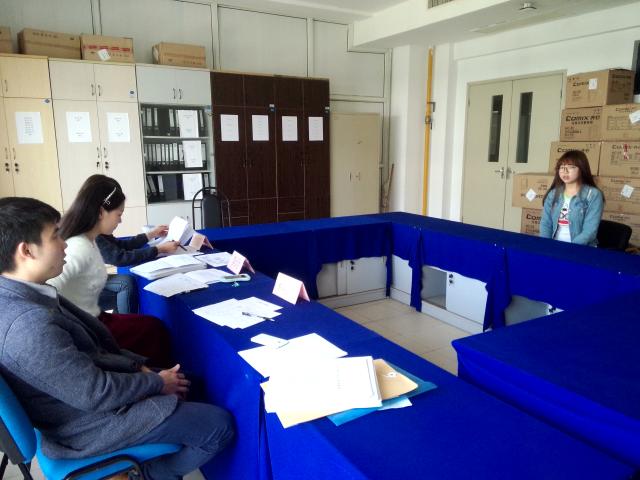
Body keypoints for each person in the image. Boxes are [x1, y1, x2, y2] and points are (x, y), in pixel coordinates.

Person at [0, 197, 234, 479]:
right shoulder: (27, 324)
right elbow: (94, 393)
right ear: (26, 250)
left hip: (83, 403)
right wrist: (156, 382)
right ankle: (147, 475)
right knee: (219, 426)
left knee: (194, 382)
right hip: (85, 426)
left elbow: (96, 353)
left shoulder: (25, 292)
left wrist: (141, 369)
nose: (64, 244)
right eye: (55, 236)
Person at [48, 175, 177, 366]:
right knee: (153, 327)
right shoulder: (79, 246)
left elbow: (120, 246)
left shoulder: (92, 235)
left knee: (149, 324)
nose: (121, 220)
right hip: (88, 325)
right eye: (118, 214)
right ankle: (156, 374)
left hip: (90, 315)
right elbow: (48, 293)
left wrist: (149, 236)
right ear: (101, 212)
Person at [97, 224, 173, 315]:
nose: (120, 221)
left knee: (123, 297)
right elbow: (120, 258)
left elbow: (121, 245)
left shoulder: (96, 231)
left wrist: (151, 234)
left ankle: (120, 322)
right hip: (82, 291)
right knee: (126, 284)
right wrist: (159, 249)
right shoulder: (92, 234)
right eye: (118, 216)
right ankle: (128, 323)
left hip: (90, 279)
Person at [539, 150, 604, 246]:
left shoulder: (593, 195)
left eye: (571, 167)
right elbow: (545, 224)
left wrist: (569, 249)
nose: (565, 171)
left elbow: (589, 232)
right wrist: (547, 245)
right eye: (562, 167)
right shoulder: (553, 194)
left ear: (582, 169)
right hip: (555, 246)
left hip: (581, 248)